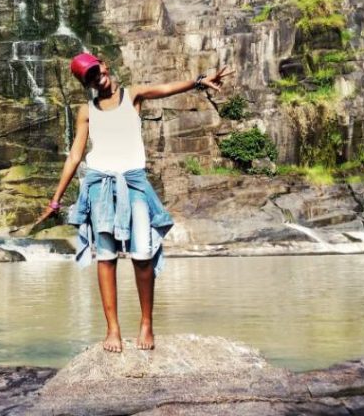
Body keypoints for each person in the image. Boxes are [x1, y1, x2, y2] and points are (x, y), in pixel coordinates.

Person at [34, 53, 233, 352]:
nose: (95, 77)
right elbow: (75, 155)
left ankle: (146, 323)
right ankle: (112, 329)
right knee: (106, 257)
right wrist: (56, 199)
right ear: (84, 83)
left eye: (95, 70)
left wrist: (199, 82)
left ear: (104, 65)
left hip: (134, 182)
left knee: (142, 256)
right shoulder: (86, 111)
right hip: (100, 186)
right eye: (88, 77)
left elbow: (166, 89)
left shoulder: (133, 96)